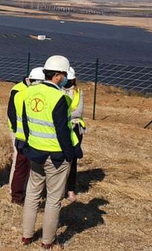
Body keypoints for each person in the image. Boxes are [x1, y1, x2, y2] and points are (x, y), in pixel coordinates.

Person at [20, 55, 81, 249]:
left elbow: (26, 122)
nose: (65, 78)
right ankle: (48, 241)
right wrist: (69, 155)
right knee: (54, 199)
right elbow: (62, 130)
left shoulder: (29, 92)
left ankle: (26, 235)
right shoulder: (60, 97)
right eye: (63, 74)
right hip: (56, 156)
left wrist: (29, 146)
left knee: (32, 194)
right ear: (56, 75)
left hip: (35, 152)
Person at [7, 66, 45, 204]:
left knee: (20, 167)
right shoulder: (39, 96)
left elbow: (13, 114)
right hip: (35, 138)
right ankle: (30, 195)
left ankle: (16, 195)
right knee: (35, 169)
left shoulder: (19, 94)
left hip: (21, 137)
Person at [63, 66, 86, 202]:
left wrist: (63, 114)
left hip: (75, 128)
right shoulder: (57, 90)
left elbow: (79, 111)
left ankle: (70, 190)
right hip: (61, 127)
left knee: (72, 160)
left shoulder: (79, 92)